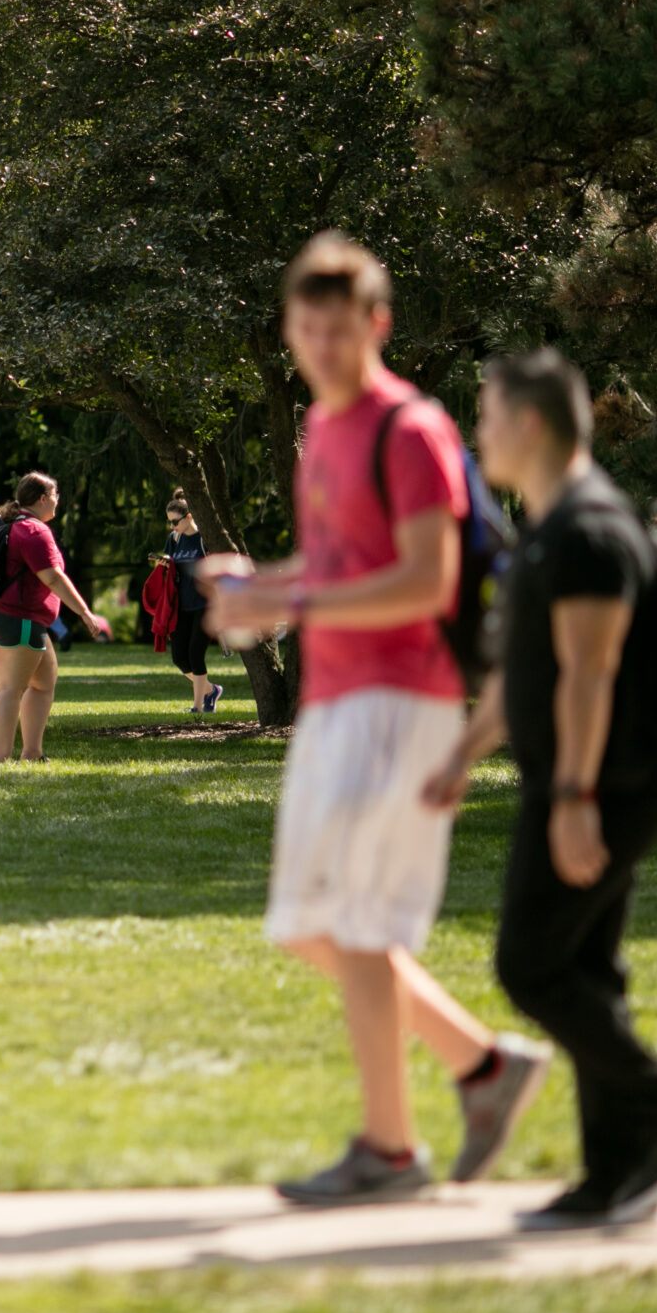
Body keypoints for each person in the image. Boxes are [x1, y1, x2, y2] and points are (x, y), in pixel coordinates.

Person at [205, 233, 548, 1206]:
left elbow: (424, 578)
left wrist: (291, 607)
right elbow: (336, 571)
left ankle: (389, 1151)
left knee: (353, 923)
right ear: (288, 329)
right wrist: (257, 585)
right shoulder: (327, 428)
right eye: (304, 329)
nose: (319, 345)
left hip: (405, 698)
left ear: (376, 325)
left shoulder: (409, 428)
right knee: (305, 923)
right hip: (337, 702)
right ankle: (482, 1067)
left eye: (336, 329)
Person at [423, 348, 657, 1230]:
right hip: (583, 777)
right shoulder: (555, 523)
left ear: (528, 424)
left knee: (531, 962)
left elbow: (590, 675)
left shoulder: (593, 529)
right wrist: (465, 753)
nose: (479, 436)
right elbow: (533, 668)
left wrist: (571, 797)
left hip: (605, 781)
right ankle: (613, 1172)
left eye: (485, 419)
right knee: (588, 969)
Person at [0, 471, 116, 762]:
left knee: (43, 683)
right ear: (42, 499)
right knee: (9, 689)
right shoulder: (35, 531)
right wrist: (85, 613)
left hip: (9, 618)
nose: (57, 501)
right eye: (55, 495)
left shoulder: (11, 524)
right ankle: (0, 760)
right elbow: (53, 577)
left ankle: (32, 753)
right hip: (18, 619)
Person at [164, 495, 222, 713]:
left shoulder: (203, 539)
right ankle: (211, 690)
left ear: (188, 517)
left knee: (196, 653)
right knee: (179, 658)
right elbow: (169, 566)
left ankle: (197, 707)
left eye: (175, 521)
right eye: (169, 522)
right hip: (182, 605)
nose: (172, 526)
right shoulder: (174, 539)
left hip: (205, 605)